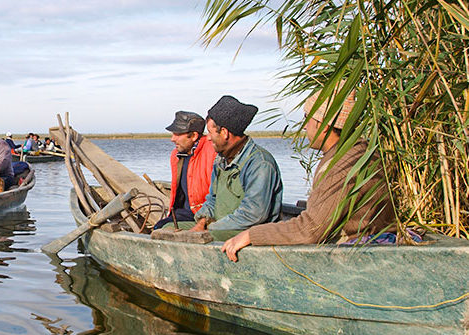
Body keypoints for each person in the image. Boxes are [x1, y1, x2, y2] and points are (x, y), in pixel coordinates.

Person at [220, 88, 396, 261]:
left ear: (323, 125)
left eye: (307, 118)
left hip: (355, 254)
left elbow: (311, 229)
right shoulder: (357, 151)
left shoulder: (343, 165)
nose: (305, 126)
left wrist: (251, 235)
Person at [188, 95, 283, 240]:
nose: (207, 138)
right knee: (167, 228)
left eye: (210, 132)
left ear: (224, 133)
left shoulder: (260, 163)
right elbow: (212, 199)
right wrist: (202, 222)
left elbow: (254, 214)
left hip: (247, 233)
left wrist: (211, 229)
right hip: (220, 227)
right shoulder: (220, 160)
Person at [153, 111, 217, 229]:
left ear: (194, 136)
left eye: (177, 134)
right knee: (158, 227)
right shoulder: (176, 156)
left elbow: (217, 194)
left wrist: (204, 219)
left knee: (164, 229)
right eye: (173, 134)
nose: (172, 139)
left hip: (204, 213)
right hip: (184, 212)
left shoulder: (212, 151)